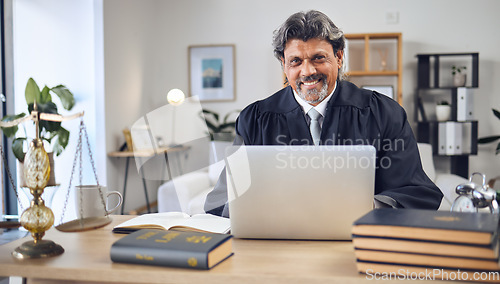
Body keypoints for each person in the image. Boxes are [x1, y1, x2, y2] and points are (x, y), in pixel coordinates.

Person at [205, 10, 443, 217]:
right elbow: (220, 202)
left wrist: (366, 207)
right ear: (283, 64)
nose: (307, 71)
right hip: (278, 245)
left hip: (359, 241)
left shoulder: (385, 113)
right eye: (295, 61)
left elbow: (416, 193)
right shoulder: (254, 120)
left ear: (339, 57)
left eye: (318, 58)